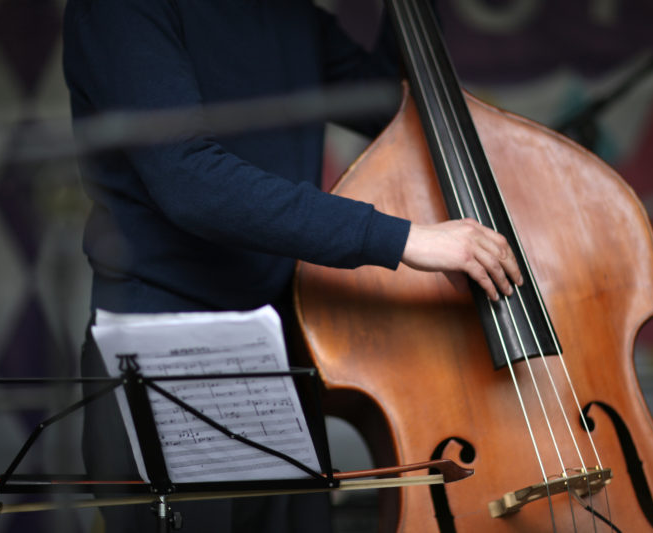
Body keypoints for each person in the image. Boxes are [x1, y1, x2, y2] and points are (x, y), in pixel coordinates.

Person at [62, 0, 521, 531]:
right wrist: (403, 239)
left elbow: (395, 108)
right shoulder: (121, 10)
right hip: (163, 343)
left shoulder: (289, 15)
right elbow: (190, 182)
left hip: (273, 345)